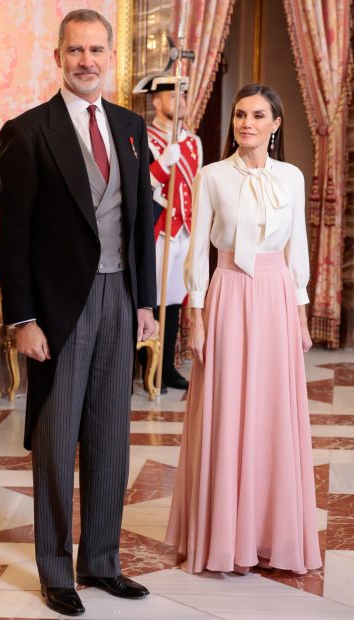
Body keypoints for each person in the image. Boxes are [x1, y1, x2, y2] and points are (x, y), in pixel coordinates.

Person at [0, 10, 156, 617]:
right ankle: (56, 569)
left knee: (112, 437)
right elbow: (11, 237)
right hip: (59, 310)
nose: (86, 60)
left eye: (96, 49)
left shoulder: (130, 127)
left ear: (110, 55)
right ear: (57, 57)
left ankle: (103, 563)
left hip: (119, 297)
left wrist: (144, 301)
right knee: (58, 440)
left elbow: (140, 222)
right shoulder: (27, 131)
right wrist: (23, 318)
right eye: (75, 50)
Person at [165, 84, 322, 576]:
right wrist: (196, 312)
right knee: (224, 407)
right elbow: (197, 251)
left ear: (276, 123)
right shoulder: (211, 176)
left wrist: (299, 309)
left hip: (276, 297)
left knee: (274, 410)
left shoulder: (292, 178)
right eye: (239, 115)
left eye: (258, 115)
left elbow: (298, 244)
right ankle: (222, 534)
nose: (246, 123)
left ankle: (270, 532)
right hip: (229, 292)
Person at [133, 73, 203, 391]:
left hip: (184, 230)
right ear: (157, 102)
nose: (181, 102)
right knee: (152, 298)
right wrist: (162, 162)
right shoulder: (143, 137)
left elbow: (197, 185)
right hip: (158, 230)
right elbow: (138, 187)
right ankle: (150, 371)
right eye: (174, 97)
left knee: (174, 300)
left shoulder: (193, 141)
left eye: (183, 96)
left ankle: (168, 368)